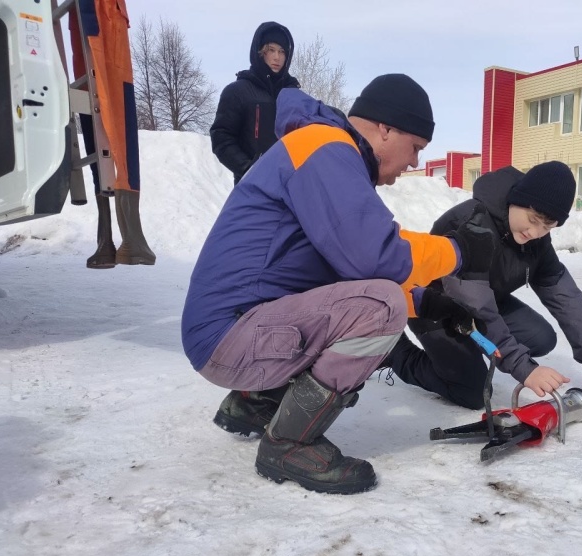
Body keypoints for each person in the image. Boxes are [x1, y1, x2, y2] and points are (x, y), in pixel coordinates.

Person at [182, 74, 494, 495]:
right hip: (231, 334)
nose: (415, 163)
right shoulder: (326, 149)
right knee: (383, 307)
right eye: (416, 147)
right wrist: (458, 252)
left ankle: (257, 403)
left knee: (386, 300)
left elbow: (347, 273)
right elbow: (375, 255)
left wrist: (427, 302)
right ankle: (289, 443)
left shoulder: (326, 152)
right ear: (386, 128)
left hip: (234, 328)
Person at [385, 162, 582, 411]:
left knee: (541, 338)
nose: (536, 232)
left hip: (484, 304)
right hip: (434, 306)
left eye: (548, 227)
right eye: (533, 220)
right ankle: (394, 351)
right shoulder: (471, 225)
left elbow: (567, 298)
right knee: (472, 392)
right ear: (516, 200)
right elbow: (477, 305)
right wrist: (525, 369)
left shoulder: (537, 240)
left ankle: (473, 348)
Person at [210, 22, 300, 185]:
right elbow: (222, 137)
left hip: (289, 188)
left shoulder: (294, 95)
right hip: (252, 187)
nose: (276, 57)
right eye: (271, 50)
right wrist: (248, 169)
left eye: (282, 52)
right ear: (260, 52)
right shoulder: (238, 91)